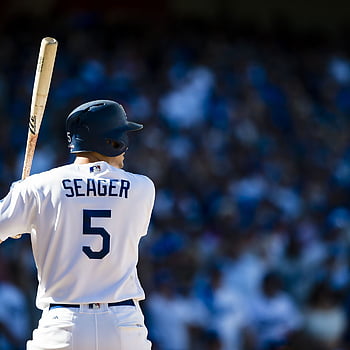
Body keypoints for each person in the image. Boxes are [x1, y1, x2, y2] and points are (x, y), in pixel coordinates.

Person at [0, 100, 156, 350]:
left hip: (63, 324)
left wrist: (18, 207)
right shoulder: (142, 187)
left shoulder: (38, 187)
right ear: (110, 141)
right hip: (123, 326)